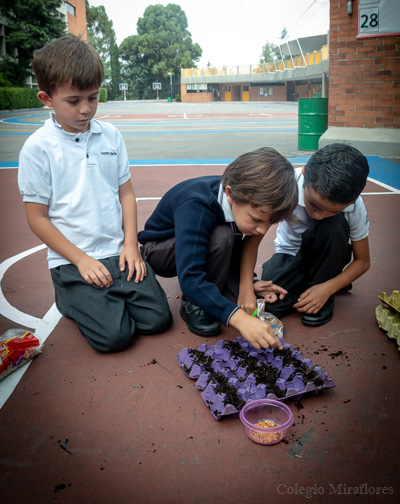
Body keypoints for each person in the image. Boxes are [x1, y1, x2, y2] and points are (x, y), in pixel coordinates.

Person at [18, 36, 172, 352]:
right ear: (47, 98)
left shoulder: (111, 136)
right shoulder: (38, 148)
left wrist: (130, 244)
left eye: (94, 97)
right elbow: (37, 218)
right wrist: (81, 260)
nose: (86, 109)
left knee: (158, 321)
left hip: (118, 251)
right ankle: (70, 296)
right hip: (73, 259)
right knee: (114, 338)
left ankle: (104, 297)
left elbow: (126, 195)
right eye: (73, 101)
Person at [138, 147, 299, 350]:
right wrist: (240, 319)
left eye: (271, 223)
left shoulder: (253, 202)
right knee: (223, 235)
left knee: (240, 299)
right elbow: (191, 277)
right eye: (257, 220)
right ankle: (193, 304)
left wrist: (247, 286)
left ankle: (218, 289)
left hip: (208, 243)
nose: (263, 229)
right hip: (162, 251)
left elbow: (247, 245)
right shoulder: (196, 205)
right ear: (230, 194)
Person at [260, 143, 370, 326]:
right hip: (291, 254)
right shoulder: (287, 186)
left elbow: (363, 261)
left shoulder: (354, 206)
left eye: (332, 210)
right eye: (314, 204)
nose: (317, 216)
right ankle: (317, 282)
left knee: (332, 225)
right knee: (272, 305)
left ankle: (324, 286)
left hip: (329, 251)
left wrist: (327, 289)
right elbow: (255, 233)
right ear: (304, 173)